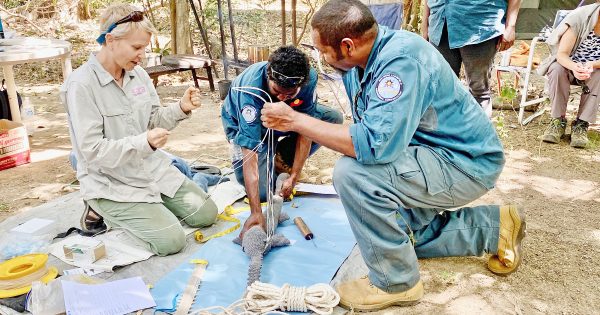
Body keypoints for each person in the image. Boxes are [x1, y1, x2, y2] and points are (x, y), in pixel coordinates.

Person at [260, 0, 525, 310]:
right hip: (429, 154)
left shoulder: (402, 62)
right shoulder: (358, 64)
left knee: (352, 175)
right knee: (391, 233)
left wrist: (294, 120)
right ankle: (496, 228)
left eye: (323, 50)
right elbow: (370, 129)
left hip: (465, 163)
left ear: (347, 45)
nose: (320, 58)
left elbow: (373, 145)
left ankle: (396, 282)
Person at [60, 4, 217, 256]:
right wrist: (144, 143)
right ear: (110, 40)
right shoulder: (81, 86)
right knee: (171, 241)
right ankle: (98, 206)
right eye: (137, 48)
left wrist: (180, 108)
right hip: (112, 181)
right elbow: (91, 151)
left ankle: (152, 210)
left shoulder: (138, 75)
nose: (142, 55)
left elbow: (153, 120)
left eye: (144, 47)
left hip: (151, 170)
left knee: (206, 214)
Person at [221, 46, 343, 239]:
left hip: (284, 121)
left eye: (290, 95)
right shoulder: (250, 90)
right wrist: (255, 213)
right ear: (269, 76)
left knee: (332, 119)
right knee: (262, 195)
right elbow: (250, 153)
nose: (282, 99)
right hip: (248, 128)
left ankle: (278, 157)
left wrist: (294, 176)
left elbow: (306, 131)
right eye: (277, 91)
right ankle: (270, 155)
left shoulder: (308, 78)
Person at [422, 0, 522, 117]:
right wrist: (425, 23)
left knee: (479, 91)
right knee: (442, 90)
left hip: (479, 23)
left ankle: (479, 134)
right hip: (440, 21)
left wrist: (510, 26)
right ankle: (447, 133)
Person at [540, 1, 600, 148]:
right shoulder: (580, 17)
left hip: (595, 68)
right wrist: (575, 67)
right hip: (568, 65)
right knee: (556, 69)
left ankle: (581, 124)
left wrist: (590, 65)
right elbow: (562, 54)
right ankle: (557, 121)